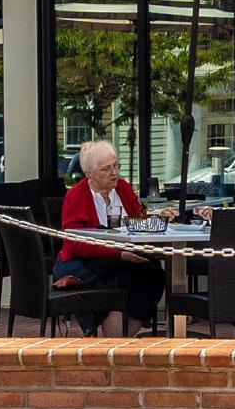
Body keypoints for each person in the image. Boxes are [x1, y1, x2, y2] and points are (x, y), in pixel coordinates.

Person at [54, 139, 170, 335]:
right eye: (106, 168)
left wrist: (156, 216)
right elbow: (75, 244)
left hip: (122, 256)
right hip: (80, 261)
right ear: (90, 173)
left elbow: (139, 219)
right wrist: (119, 255)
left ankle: (124, 337)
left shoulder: (123, 188)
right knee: (120, 276)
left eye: (116, 166)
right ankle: (111, 340)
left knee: (153, 273)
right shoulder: (77, 196)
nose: (114, 172)